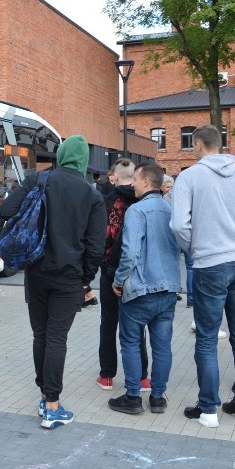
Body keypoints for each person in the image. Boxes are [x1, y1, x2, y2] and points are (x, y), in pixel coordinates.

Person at [170, 125, 235, 428]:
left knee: (206, 338)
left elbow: (178, 225)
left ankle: (208, 409)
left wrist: (195, 248)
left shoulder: (189, 176)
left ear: (199, 145)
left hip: (209, 264)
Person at [0, 135, 106, 429]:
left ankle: (44, 394)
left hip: (35, 271)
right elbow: (96, 248)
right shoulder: (92, 196)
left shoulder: (38, 180)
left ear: (61, 155)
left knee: (41, 335)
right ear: (83, 160)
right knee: (57, 337)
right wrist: (84, 280)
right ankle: (52, 405)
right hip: (69, 277)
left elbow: (6, 211)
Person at [108, 163, 181, 415]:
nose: (133, 184)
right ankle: (158, 397)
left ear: (147, 182)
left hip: (140, 288)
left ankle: (133, 396)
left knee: (129, 341)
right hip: (168, 288)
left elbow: (130, 252)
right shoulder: (172, 210)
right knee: (162, 346)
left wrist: (118, 281)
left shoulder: (137, 211)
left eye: (136, 180)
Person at [96, 159, 150, 392]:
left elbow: (100, 237)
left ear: (115, 176)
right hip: (139, 272)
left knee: (108, 323)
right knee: (137, 325)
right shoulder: (144, 201)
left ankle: (107, 375)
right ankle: (142, 376)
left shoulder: (106, 203)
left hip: (110, 271)